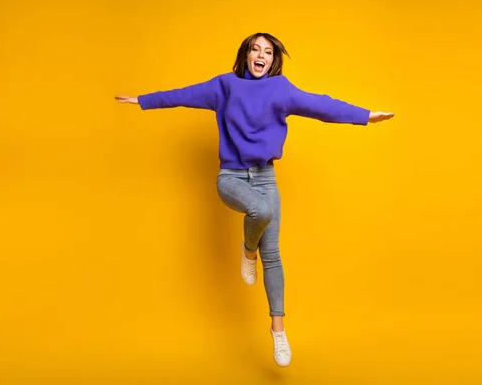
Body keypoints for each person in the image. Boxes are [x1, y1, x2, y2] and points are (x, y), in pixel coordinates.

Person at [115, 32, 394, 367]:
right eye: (254, 49)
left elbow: (320, 104)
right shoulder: (224, 86)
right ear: (245, 55)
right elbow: (182, 95)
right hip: (230, 178)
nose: (260, 55)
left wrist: (364, 116)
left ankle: (278, 330)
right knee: (261, 211)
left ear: (273, 59)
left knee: (273, 256)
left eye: (267, 51)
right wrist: (143, 100)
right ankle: (248, 251)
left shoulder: (281, 89)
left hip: (265, 177)